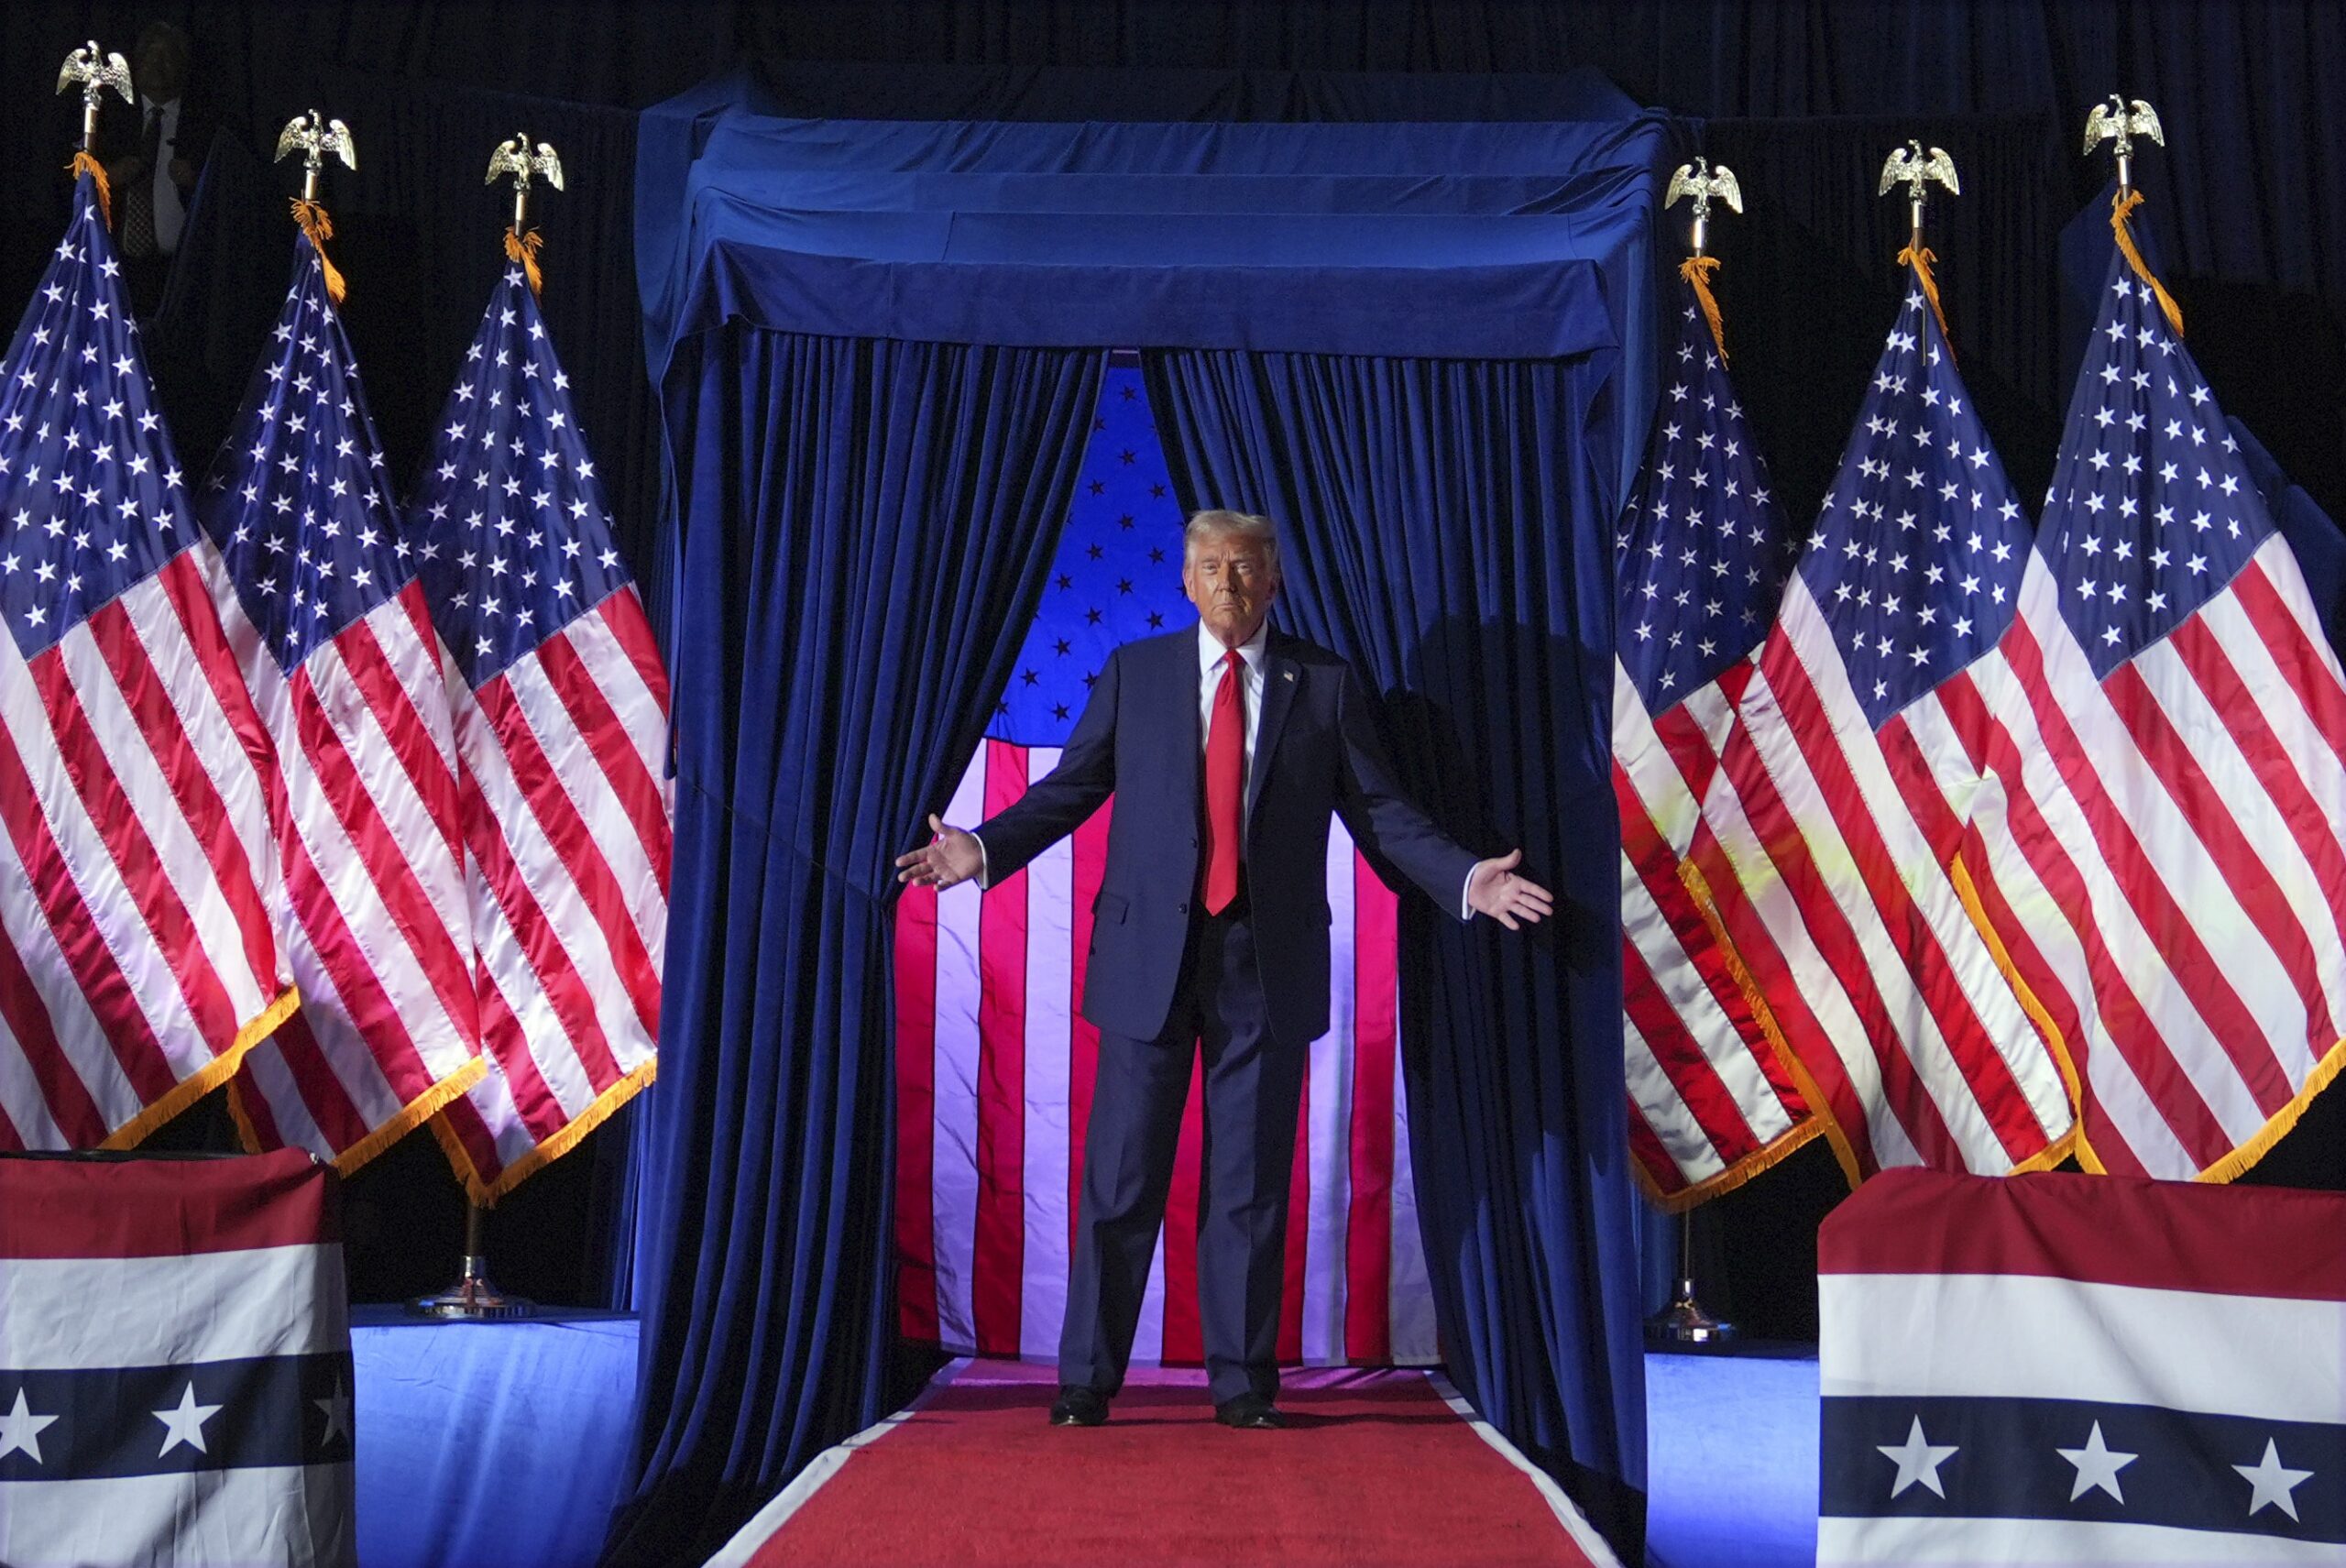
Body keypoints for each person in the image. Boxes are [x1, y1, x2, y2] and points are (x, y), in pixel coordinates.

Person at [896, 508, 1551, 1430]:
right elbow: (1072, 786)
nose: (1226, 586)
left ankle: (1242, 1385)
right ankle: (1086, 1379)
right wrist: (986, 848)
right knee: (1121, 1180)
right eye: (1209, 569)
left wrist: (1466, 875)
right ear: (1184, 580)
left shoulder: (1320, 683)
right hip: (1146, 961)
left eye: (1243, 570)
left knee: (1247, 1186)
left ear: (1274, 581)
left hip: (1263, 963)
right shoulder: (1138, 673)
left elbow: (1381, 810)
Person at [102, 22, 206, 319]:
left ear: (183, 66)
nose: (157, 66)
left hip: (182, 273)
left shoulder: (206, 125)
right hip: (118, 268)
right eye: (150, 57)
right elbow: (69, 176)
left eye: (167, 57)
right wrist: (107, 178)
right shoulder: (111, 118)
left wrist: (197, 178)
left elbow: (233, 190)